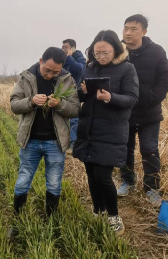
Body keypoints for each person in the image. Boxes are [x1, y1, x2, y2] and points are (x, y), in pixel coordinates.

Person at [73, 30, 139, 237]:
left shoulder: (127, 69)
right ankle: (97, 210)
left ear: (116, 49)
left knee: (103, 176)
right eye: (96, 52)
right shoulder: (89, 68)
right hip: (89, 129)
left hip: (111, 130)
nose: (100, 57)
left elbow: (131, 98)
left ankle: (113, 216)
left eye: (105, 52)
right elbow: (81, 96)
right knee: (91, 174)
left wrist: (110, 97)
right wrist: (82, 91)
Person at [9, 47, 80, 236]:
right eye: (47, 70)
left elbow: (75, 110)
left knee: (54, 183)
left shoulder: (67, 80)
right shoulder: (26, 77)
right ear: (41, 61)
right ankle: (17, 220)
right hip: (30, 140)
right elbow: (14, 105)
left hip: (55, 143)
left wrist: (60, 104)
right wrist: (31, 101)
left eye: (55, 72)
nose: (50, 75)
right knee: (23, 181)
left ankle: (51, 220)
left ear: (62, 68)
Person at [117, 14, 168, 206]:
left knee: (150, 150)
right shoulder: (117, 51)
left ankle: (152, 189)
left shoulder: (156, 51)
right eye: (126, 28)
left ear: (144, 31)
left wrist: (154, 96)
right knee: (125, 148)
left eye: (133, 29)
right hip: (124, 110)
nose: (128, 32)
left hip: (149, 112)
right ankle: (127, 181)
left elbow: (166, 75)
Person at [62, 39, 87, 150]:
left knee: (73, 118)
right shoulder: (64, 58)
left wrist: (69, 57)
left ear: (72, 47)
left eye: (66, 47)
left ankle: (73, 143)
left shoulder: (79, 57)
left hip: (75, 91)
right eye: (63, 47)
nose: (64, 49)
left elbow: (79, 69)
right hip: (63, 91)